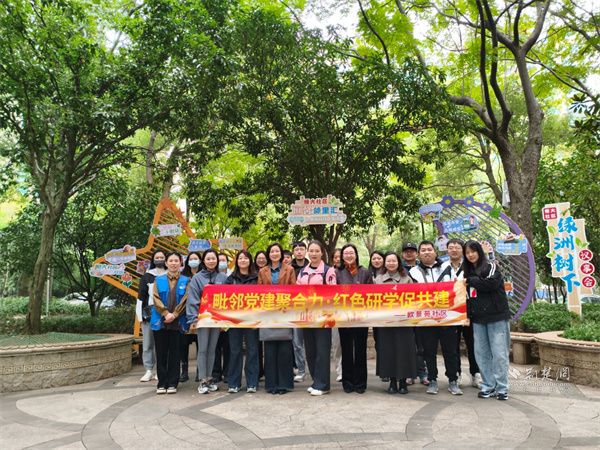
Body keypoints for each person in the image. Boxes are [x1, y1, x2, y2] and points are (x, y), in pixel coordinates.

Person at [409, 241, 462, 396]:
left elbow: (456, 288)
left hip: (447, 317)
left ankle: (453, 380)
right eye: (423, 250)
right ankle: (432, 380)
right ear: (419, 254)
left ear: (435, 252)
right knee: (429, 351)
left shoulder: (447, 267)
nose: (427, 252)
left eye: (429, 249)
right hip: (426, 318)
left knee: (450, 350)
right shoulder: (413, 271)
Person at [463, 240, 511, 401]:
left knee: (499, 354)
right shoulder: (466, 272)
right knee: (481, 354)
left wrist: (470, 281)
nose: (470, 255)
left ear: (479, 252)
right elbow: (466, 297)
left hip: (497, 316)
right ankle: (488, 386)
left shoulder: (491, 266)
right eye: (467, 252)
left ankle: (502, 388)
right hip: (478, 319)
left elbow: (490, 284)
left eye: (473, 251)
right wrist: (467, 316)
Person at [297, 240, 337, 396]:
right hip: (307, 317)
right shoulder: (302, 272)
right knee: (311, 351)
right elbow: (297, 293)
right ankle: (316, 381)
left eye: (316, 251)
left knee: (322, 351)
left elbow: (333, 294)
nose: (313, 254)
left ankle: (323, 385)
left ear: (322, 253)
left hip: (323, 318)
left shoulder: (328, 271)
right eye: (311, 251)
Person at [374, 252, 417, 395]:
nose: (391, 263)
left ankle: (403, 382)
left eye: (394, 261)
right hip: (385, 322)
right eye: (388, 261)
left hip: (404, 322)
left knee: (404, 351)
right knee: (388, 351)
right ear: (384, 263)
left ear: (398, 263)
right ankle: (392, 382)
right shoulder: (378, 280)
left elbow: (414, 299)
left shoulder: (407, 279)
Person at [442, 238, 482, 389]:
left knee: (473, 343)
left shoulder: (470, 266)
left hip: (470, 311)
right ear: (447, 250)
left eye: (457, 247)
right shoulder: (442, 267)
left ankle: (476, 374)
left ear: (462, 250)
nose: (454, 250)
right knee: (452, 345)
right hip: (450, 312)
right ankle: (455, 374)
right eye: (451, 247)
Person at [187, 249, 228, 394]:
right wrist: (193, 319)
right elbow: (192, 299)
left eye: (213, 258)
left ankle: (210, 379)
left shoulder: (223, 277)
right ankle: (202, 380)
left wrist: (225, 320)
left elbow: (227, 299)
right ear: (203, 261)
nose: (211, 261)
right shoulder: (197, 278)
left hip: (217, 320)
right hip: (203, 319)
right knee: (203, 349)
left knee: (212, 349)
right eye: (208, 259)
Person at [258, 243, 297, 394]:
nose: (274, 253)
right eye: (272, 251)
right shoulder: (263, 271)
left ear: (281, 254)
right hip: (268, 313)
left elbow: (294, 289)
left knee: (285, 350)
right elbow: (259, 291)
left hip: (285, 311)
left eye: (277, 251)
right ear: (269, 254)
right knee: (269, 349)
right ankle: (271, 384)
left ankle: (284, 384)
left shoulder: (290, 269)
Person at [150, 252, 190, 394]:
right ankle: (162, 383)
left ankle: (173, 382)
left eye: (176, 261)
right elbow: (155, 298)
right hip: (160, 320)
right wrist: (166, 313)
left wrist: (175, 314)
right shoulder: (158, 280)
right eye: (171, 261)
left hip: (178, 322)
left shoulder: (186, 280)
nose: (173, 263)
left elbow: (186, 299)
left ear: (181, 263)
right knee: (161, 353)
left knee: (175, 353)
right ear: (166, 263)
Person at [336, 243, 373, 394]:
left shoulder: (365, 272)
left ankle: (360, 383)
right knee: (346, 350)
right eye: (346, 253)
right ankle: (347, 382)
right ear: (342, 256)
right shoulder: (337, 272)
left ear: (356, 255)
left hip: (361, 317)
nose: (349, 255)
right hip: (343, 317)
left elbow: (372, 293)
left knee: (360, 350)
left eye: (351, 253)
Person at [226, 250, 260, 393]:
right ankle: (234, 383)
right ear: (236, 261)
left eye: (246, 258)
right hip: (235, 320)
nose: (243, 260)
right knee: (235, 351)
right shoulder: (230, 279)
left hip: (252, 319)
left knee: (252, 350)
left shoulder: (257, 278)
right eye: (240, 258)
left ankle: (252, 383)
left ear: (250, 261)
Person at [136, 250, 167, 382]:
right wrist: (140, 317)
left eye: (162, 257)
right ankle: (148, 370)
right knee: (148, 343)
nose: (159, 259)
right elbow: (141, 297)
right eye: (157, 257)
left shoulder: (170, 274)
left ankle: (161, 370)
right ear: (153, 259)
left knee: (162, 344)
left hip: (166, 313)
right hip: (149, 314)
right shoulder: (147, 276)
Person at [179, 252, 201, 382]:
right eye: (191, 259)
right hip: (184, 316)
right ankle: (184, 371)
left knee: (200, 344)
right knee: (183, 345)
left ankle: (199, 371)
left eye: (196, 258)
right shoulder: (182, 277)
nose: (193, 261)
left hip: (200, 315)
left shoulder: (203, 275)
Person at [290, 242, 308, 382]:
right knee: (297, 343)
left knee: (312, 342)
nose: (299, 252)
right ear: (293, 252)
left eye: (302, 249)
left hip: (312, 308)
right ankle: (301, 370)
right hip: (295, 309)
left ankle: (315, 370)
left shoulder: (312, 266)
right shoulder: (289, 268)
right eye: (297, 249)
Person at [368, 250, 386, 381]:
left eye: (379, 258)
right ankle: (383, 371)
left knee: (389, 342)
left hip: (389, 313)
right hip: (375, 315)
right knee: (379, 343)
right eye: (374, 259)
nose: (376, 261)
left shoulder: (389, 272)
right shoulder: (368, 274)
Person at [330, 248, 343, 382]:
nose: (338, 259)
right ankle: (339, 370)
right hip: (334, 312)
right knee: (337, 344)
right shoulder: (329, 272)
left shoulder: (351, 272)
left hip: (348, 312)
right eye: (335, 257)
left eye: (340, 257)